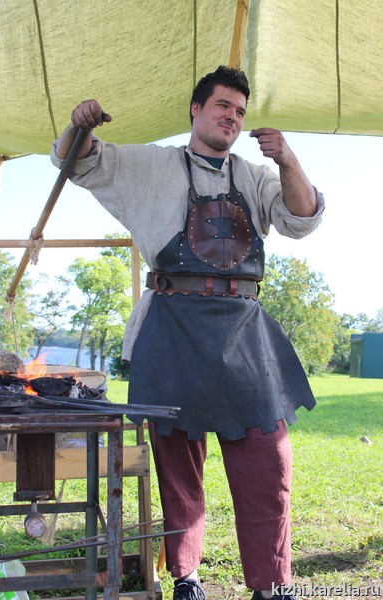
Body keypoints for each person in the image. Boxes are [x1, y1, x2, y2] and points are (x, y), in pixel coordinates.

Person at [51, 66, 325, 600]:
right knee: (177, 462)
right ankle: (187, 575)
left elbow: (302, 216)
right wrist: (78, 125)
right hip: (172, 326)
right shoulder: (152, 166)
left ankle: (272, 584)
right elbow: (77, 160)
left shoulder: (256, 176)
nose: (232, 117)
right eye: (223, 105)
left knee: (268, 458)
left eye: (240, 111)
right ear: (196, 109)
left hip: (243, 330)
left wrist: (289, 160)